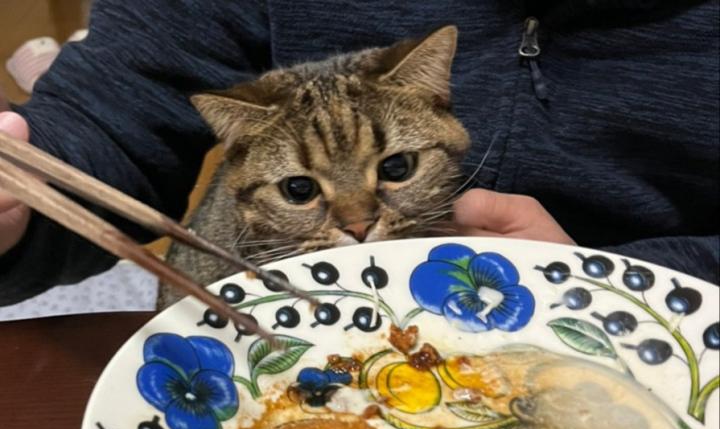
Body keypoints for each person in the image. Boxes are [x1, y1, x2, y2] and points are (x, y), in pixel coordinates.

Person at [1, 0, 718, 307]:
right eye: (304, 190)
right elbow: (109, 119)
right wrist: (15, 202)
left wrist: (614, 285)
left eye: (395, 169)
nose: (355, 221)